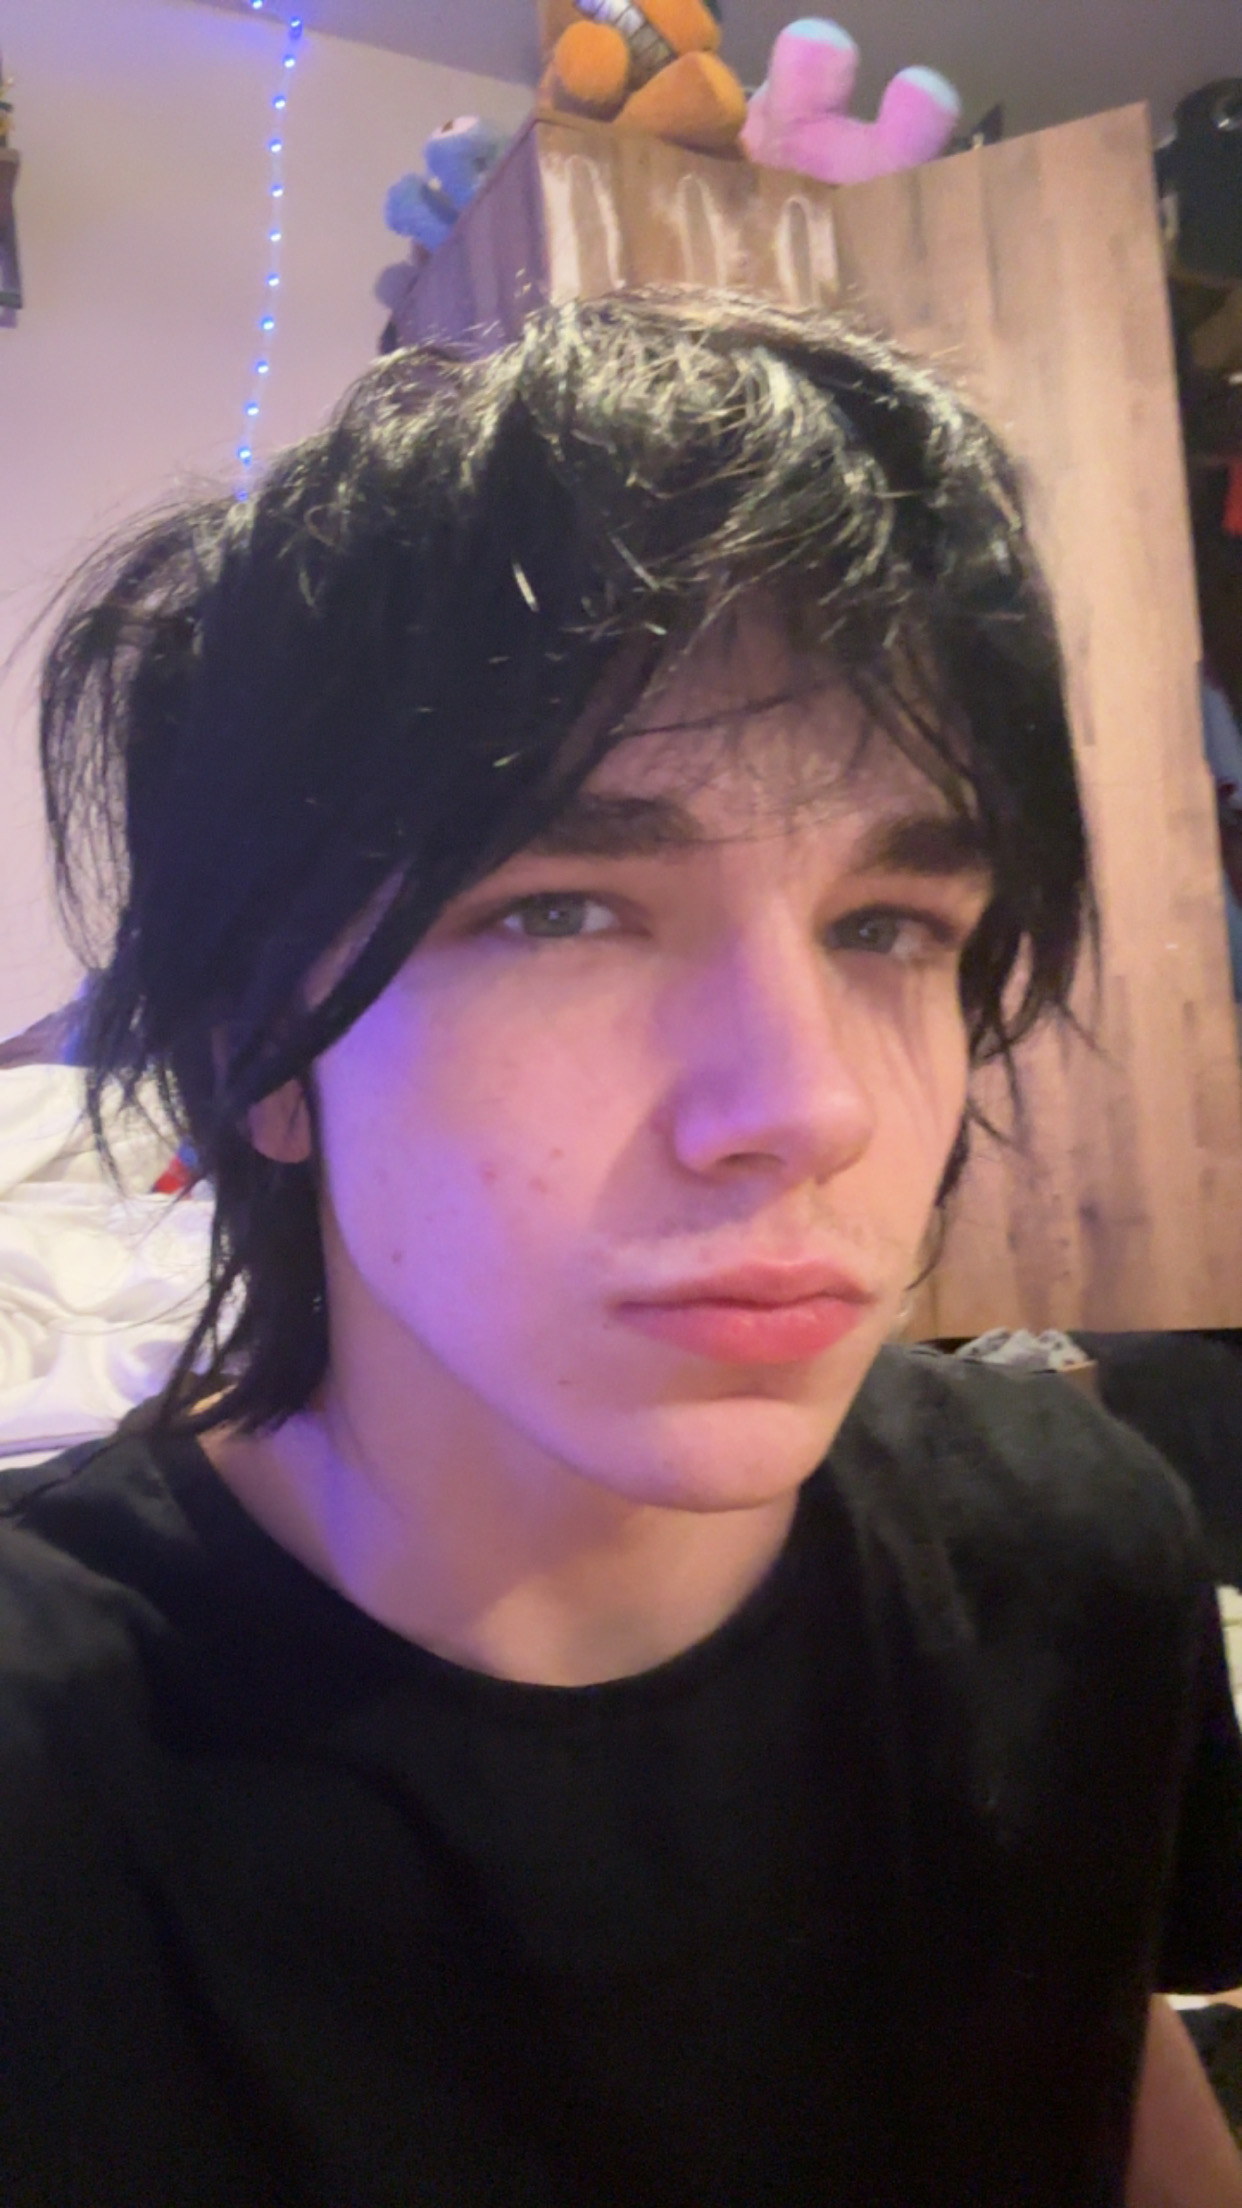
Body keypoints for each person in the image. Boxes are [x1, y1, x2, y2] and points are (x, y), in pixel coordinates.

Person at [5, 292, 1242, 2207]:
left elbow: (1097, 2054)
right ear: (262, 1050)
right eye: (562, 910)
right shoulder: (52, 1779)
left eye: (887, 926)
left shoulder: (1077, 1551)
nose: (805, 1106)